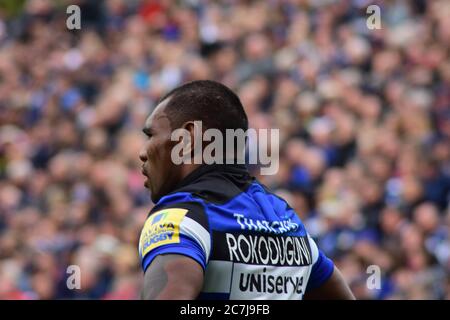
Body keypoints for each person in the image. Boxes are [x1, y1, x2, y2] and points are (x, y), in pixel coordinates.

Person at [138, 80, 355, 300]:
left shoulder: (179, 219)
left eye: (150, 135)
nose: (142, 152)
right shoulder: (285, 219)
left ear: (187, 138)